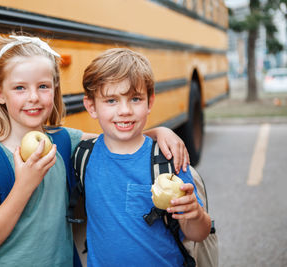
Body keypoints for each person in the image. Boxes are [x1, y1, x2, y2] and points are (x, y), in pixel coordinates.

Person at [0, 34, 190, 266]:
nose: (33, 97)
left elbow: (116, 137)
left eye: (43, 86)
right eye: (20, 87)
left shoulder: (63, 140)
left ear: (54, 89)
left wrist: (159, 132)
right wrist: (24, 185)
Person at [81, 48, 212, 266]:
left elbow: (199, 233)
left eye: (135, 99)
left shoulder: (168, 159)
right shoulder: (83, 155)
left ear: (150, 102)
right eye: (111, 100)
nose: (124, 110)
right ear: (91, 106)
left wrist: (194, 214)